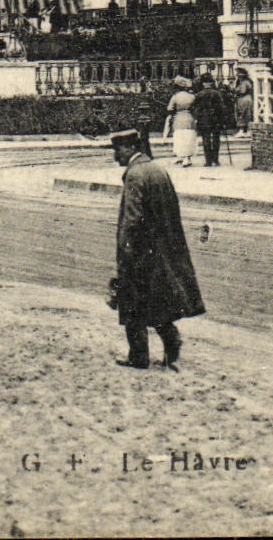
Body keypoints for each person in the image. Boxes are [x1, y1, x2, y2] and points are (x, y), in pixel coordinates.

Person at [109, 129, 205, 369]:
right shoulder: (157, 170)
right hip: (161, 250)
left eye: (118, 150)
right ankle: (171, 340)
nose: (115, 156)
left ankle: (139, 356)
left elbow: (131, 219)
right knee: (156, 302)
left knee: (131, 303)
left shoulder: (134, 175)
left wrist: (125, 252)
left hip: (140, 251)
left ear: (130, 148)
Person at [190, 73, 229, 167]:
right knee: (216, 139)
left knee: (206, 139)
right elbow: (222, 108)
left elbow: (195, 107)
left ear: (203, 83)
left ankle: (208, 161)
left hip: (204, 120)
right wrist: (223, 120)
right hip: (216, 119)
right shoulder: (217, 94)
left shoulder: (199, 95)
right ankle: (215, 159)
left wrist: (197, 117)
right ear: (211, 82)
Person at [164, 76, 197, 167]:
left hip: (178, 119)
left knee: (179, 138)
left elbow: (169, 108)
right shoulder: (192, 96)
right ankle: (187, 158)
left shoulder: (175, 97)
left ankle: (180, 156)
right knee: (189, 138)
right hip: (190, 119)